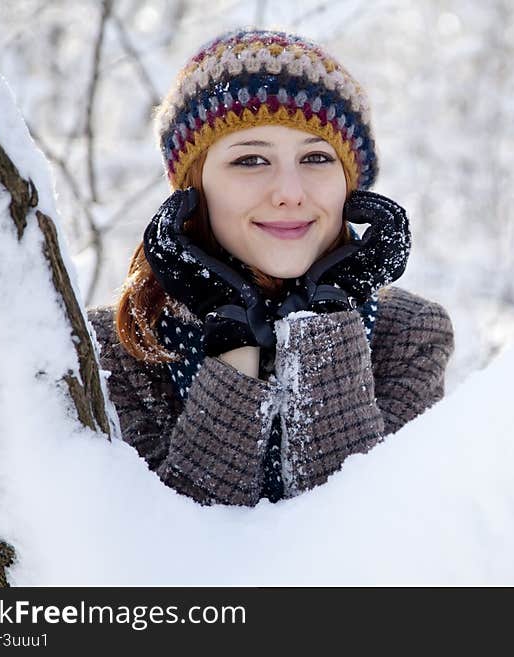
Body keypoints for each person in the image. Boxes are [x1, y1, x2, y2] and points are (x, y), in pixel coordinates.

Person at [87, 28, 454, 507]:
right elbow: (173, 554)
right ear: (193, 187)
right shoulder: (113, 351)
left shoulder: (409, 335)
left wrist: (323, 324)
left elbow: (367, 535)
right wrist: (233, 342)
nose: (289, 191)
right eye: (252, 159)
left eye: (317, 157)